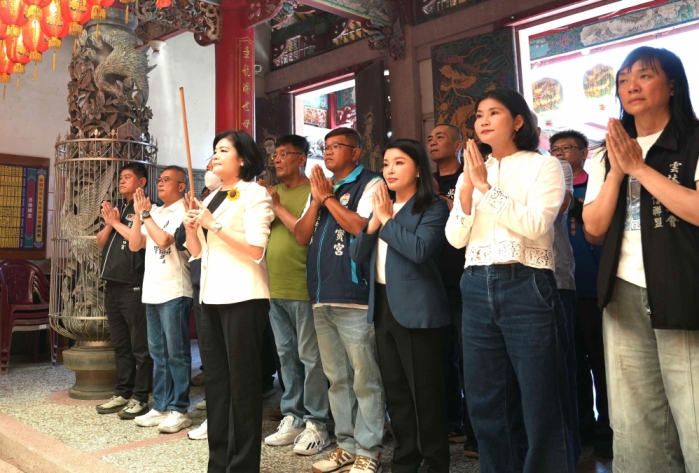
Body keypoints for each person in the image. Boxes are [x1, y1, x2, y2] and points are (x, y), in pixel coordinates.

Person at [582, 46, 699, 471]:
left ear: (673, 85)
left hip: (684, 290)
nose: (631, 86)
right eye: (623, 79)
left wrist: (640, 169)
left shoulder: (693, 139)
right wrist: (617, 169)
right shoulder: (605, 152)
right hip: (623, 293)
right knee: (634, 423)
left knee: (694, 416)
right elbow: (594, 228)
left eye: (645, 75)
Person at [445, 88, 573, 473]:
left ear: (518, 121)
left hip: (526, 284)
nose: (482, 120)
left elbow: (535, 225)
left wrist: (485, 187)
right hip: (475, 284)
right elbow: (455, 238)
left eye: (494, 113)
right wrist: (467, 191)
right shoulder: (474, 171)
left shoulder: (544, 165)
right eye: (479, 114)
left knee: (541, 400)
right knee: (487, 403)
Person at [351, 139, 451, 472]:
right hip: (383, 308)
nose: (389, 170)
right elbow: (356, 253)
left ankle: (434, 463)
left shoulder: (432, 207)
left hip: (418, 312)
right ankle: (405, 461)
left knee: (425, 394)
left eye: (399, 163)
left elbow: (419, 250)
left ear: (418, 169)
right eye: (386, 164)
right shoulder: (384, 207)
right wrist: (375, 222)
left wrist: (386, 219)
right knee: (396, 392)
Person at [295, 127, 385, 473]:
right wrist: (318, 199)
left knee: (365, 377)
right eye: (326, 146)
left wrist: (329, 199)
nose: (329, 151)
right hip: (321, 295)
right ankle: (345, 445)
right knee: (337, 378)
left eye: (337, 146)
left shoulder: (371, 183)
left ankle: (369, 450)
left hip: (354, 295)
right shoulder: (322, 188)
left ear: (356, 152)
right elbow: (302, 235)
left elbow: (362, 226)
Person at [184, 130, 274, 473]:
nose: (216, 155)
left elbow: (256, 249)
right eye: (214, 150)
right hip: (210, 297)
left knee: (243, 386)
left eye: (223, 150)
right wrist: (192, 228)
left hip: (243, 297)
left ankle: (243, 466)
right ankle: (218, 463)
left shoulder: (255, 193)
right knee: (218, 385)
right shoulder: (212, 197)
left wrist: (214, 224)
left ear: (243, 159)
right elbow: (198, 253)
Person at [258, 135, 330, 455]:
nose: (277, 159)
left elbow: (302, 234)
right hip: (273, 287)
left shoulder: (314, 190)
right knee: (286, 355)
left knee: (310, 358)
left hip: (302, 286)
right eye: (275, 155)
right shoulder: (272, 192)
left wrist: (275, 205)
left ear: (301, 159)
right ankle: (293, 416)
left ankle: (317, 423)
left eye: (284, 154)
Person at [549, 129, 612, 458]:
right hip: (561, 287)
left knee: (601, 361)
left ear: (585, 152)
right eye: (554, 149)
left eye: (567, 148)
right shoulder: (548, 188)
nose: (559, 153)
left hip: (593, 287)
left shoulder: (598, 186)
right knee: (570, 362)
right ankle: (581, 425)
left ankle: (607, 426)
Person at [128, 165, 194, 434]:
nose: (161, 183)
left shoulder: (183, 210)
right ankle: (162, 405)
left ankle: (180, 408)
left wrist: (145, 215)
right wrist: (138, 215)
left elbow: (165, 241)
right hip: (152, 290)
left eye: (167, 180)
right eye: (160, 180)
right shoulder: (154, 212)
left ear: (181, 186)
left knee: (176, 353)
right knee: (158, 352)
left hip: (175, 289)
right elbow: (135, 245)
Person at [427, 123, 479, 456]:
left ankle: (476, 434)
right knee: (440, 356)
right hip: (432, 280)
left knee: (470, 356)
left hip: (464, 278)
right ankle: (450, 422)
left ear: (459, 144)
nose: (433, 142)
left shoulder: (469, 177)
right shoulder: (425, 182)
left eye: (440, 137)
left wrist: (441, 202)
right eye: (429, 138)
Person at [95, 163, 153, 420]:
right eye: (120, 177)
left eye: (127, 177)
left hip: (133, 285)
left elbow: (137, 242)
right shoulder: (118, 208)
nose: (121, 181)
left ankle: (141, 397)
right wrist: (110, 224)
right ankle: (123, 392)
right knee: (120, 345)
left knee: (140, 346)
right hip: (112, 285)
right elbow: (100, 242)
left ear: (142, 182)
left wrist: (116, 223)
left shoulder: (148, 208)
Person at [173, 161, 223, 441]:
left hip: (227, 286)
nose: (212, 167)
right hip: (201, 284)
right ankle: (215, 413)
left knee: (227, 359)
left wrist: (207, 219)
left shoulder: (244, 197)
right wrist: (190, 220)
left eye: (219, 157)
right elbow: (186, 244)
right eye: (211, 160)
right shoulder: (207, 199)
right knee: (210, 355)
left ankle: (226, 416)